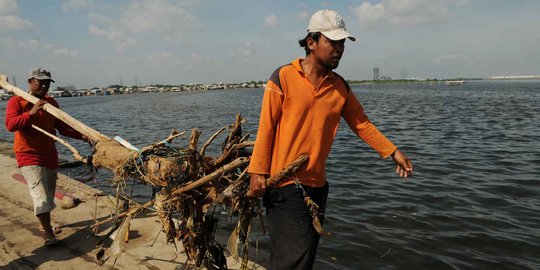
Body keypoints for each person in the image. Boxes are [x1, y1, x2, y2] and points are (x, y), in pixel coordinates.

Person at [247, 9, 413, 269]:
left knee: (301, 258)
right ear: (311, 42)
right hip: (285, 184)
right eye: (332, 42)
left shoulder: (339, 86)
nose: (339, 49)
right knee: (293, 260)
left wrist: (393, 152)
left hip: (317, 186)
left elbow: (362, 125)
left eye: (342, 43)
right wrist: (257, 170)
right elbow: (266, 127)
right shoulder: (283, 77)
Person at [5, 68, 89, 246]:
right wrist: (31, 113)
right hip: (28, 155)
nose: (44, 85)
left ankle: (44, 224)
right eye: (39, 82)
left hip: (50, 155)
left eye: (47, 83)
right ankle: (49, 235)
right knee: (40, 196)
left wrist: (82, 136)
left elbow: (62, 127)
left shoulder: (51, 103)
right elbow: (10, 125)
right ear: (30, 82)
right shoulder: (16, 101)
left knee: (49, 195)